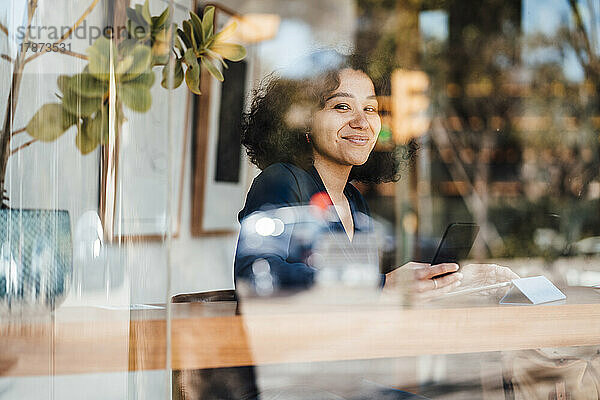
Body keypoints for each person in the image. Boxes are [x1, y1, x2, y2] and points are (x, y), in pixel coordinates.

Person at [234, 51, 517, 301]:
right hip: (294, 355)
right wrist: (379, 285)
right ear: (305, 121)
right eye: (342, 106)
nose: (361, 122)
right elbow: (257, 274)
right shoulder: (281, 180)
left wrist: (454, 278)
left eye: (370, 108)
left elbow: (365, 293)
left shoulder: (353, 200)